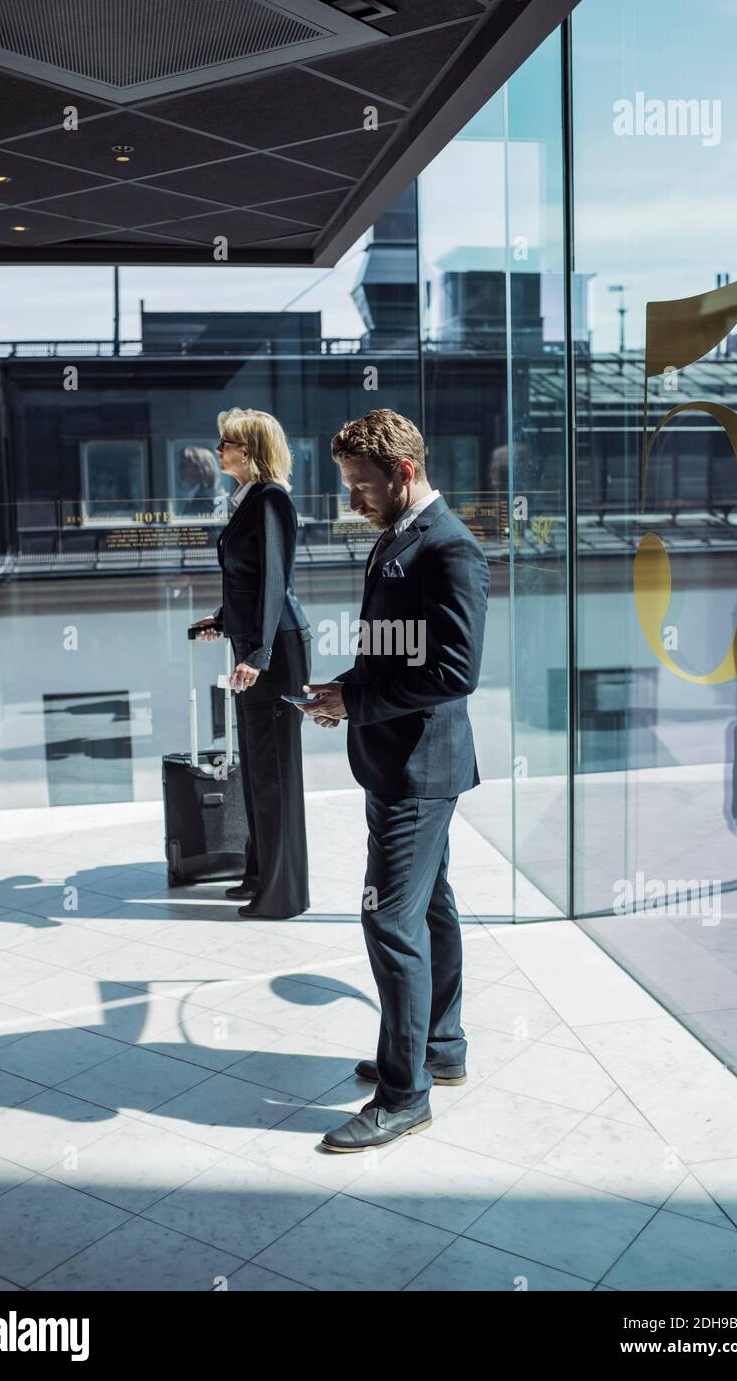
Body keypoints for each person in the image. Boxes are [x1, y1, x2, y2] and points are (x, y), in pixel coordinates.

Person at [294, 409, 490, 1151]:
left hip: (419, 768)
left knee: (387, 920)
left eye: (360, 484)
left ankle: (403, 1094)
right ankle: (438, 1050)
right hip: (394, 757)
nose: (352, 498)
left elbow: (453, 673)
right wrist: (341, 690)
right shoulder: (398, 539)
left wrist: (359, 702)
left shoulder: (450, 549)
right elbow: (393, 654)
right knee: (429, 905)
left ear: (403, 473)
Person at [191, 407, 311, 919]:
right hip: (258, 647)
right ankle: (261, 875)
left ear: (251, 450)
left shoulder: (270, 500)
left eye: (227, 442)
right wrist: (222, 619)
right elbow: (249, 582)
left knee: (274, 775)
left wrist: (257, 654)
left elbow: (274, 583)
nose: (218, 449)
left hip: (274, 653)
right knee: (260, 772)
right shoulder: (247, 501)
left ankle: (283, 896)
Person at [177, 445, 221, 519]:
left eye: (185, 465)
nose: (181, 469)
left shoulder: (204, 500)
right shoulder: (196, 495)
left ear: (201, 469)